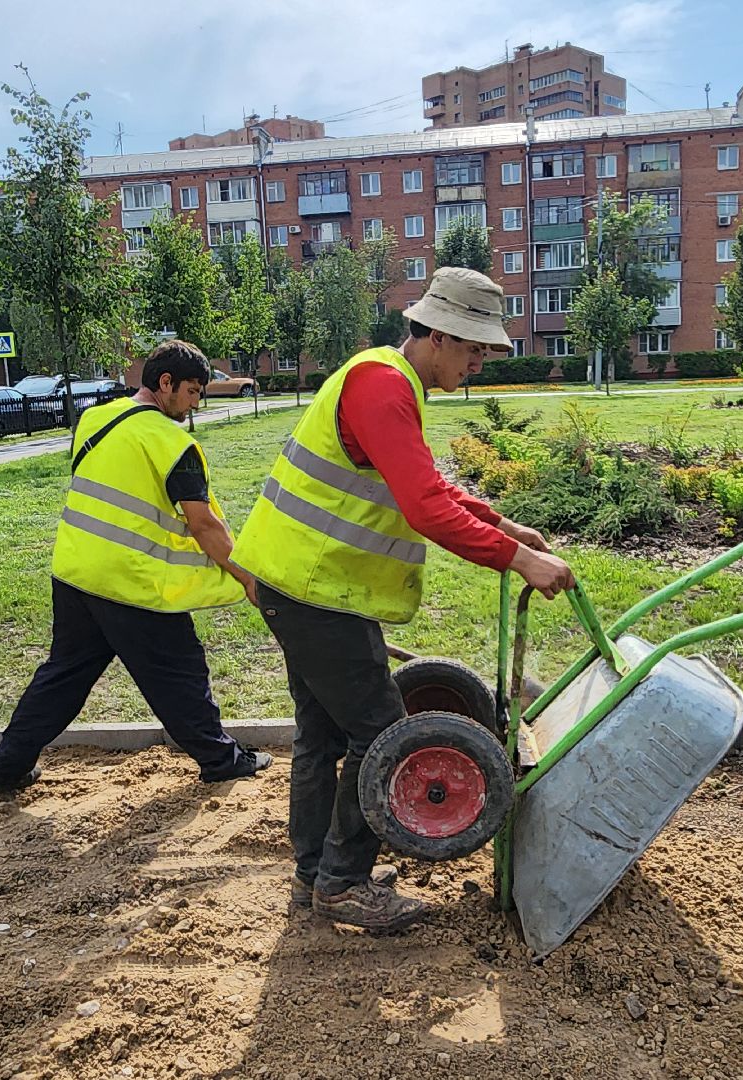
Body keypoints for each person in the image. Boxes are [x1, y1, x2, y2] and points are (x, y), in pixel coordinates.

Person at [231, 267, 575, 931]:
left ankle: (316, 873)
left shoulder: (387, 380)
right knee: (381, 733)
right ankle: (343, 884)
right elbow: (424, 509)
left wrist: (502, 525)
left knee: (323, 733)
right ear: (439, 334)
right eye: (473, 350)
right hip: (317, 588)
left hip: (301, 580)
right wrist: (521, 560)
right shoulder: (385, 386)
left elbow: (427, 487)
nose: (476, 364)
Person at [0, 340, 272, 796]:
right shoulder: (173, 443)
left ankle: (5, 767)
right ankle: (221, 760)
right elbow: (204, 525)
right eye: (192, 392)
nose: (195, 404)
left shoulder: (95, 419)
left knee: (63, 677)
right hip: (133, 583)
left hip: (76, 573)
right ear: (165, 383)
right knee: (180, 673)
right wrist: (248, 578)